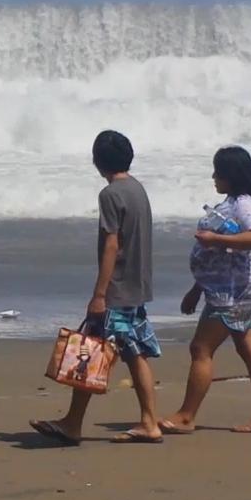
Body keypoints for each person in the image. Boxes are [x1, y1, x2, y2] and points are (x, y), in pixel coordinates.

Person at [30, 130, 163, 445]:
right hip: (136, 287)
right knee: (132, 354)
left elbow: (112, 246)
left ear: (97, 161)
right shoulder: (138, 189)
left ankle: (75, 424)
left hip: (116, 290)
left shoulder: (111, 195)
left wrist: (100, 294)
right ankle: (145, 421)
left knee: (89, 353)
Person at [160, 145, 251, 434]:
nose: (213, 176)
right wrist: (197, 288)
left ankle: (187, 415)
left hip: (232, 292)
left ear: (231, 175)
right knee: (250, 349)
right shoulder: (233, 201)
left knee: (201, 348)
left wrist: (214, 238)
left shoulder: (243, 203)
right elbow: (218, 257)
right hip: (233, 286)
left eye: (218, 172)